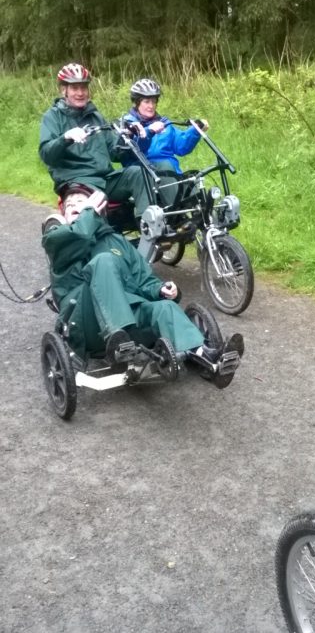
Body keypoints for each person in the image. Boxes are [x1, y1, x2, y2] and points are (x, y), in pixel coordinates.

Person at [42, 188, 243, 389]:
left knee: (166, 308)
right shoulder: (57, 239)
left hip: (130, 319)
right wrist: (89, 212)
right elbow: (80, 233)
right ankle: (116, 334)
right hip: (86, 321)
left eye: (81, 202)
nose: (76, 206)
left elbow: (143, 280)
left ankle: (210, 360)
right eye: (70, 206)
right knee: (103, 262)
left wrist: (160, 289)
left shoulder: (117, 241)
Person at [39, 63, 155, 219]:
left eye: (84, 88)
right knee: (96, 201)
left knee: (139, 173)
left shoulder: (95, 116)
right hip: (77, 182)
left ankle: (148, 227)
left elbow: (115, 152)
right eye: (75, 88)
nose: (80, 93)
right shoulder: (52, 117)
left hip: (105, 179)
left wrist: (129, 135)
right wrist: (65, 138)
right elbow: (47, 155)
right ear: (64, 90)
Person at [121, 78, 208, 207]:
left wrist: (195, 130)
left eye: (154, 101)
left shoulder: (164, 125)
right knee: (165, 166)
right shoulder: (128, 125)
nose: (151, 106)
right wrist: (149, 131)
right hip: (145, 174)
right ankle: (177, 216)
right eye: (146, 101)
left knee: (192, 181)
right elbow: (132, 148)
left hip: (172, 174)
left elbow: (181, 146)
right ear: (137, 103)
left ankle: (208, 219)